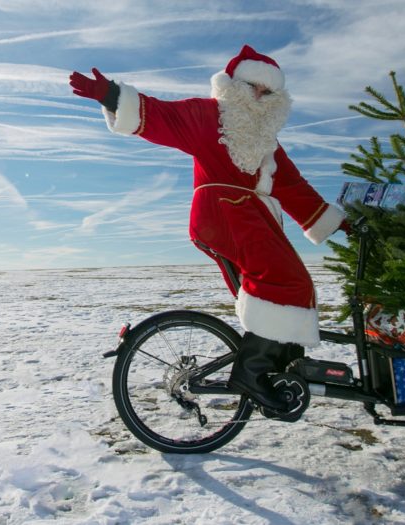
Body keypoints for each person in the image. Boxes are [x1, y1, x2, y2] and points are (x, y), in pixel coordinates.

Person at [69, 45, 348, 411]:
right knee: (284, 278)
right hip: (223, 213)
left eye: (269, 92)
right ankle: (253, 371)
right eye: (254, 87)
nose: (260, 96)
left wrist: (339, 221)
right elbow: (164, 117)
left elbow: (294, 189)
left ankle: (279, 367)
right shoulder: (209, 116)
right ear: (234, 85)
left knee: (290, 279)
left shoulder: (266, 145)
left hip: (250, 217)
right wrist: (111, 95)